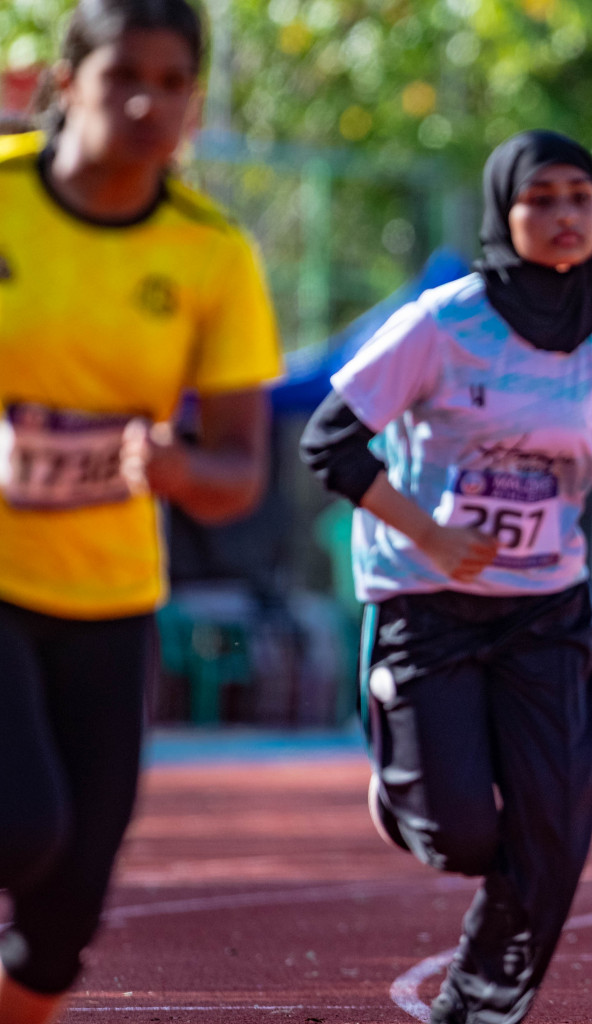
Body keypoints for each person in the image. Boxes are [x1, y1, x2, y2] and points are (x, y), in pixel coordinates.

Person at [300, 130, 592, 1024]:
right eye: (540, 198)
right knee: (462, 833)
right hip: (425, 600)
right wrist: (430, 535)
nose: (562, 216)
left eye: (579, 198)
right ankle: (404, 788)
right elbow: (330, 440)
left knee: (556, 829)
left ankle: (480, 1004)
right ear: (503, 213)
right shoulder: (445, 322)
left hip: (545, 606)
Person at [0, 2, 282, 1021]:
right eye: (123, 73)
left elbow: (240, 470)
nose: (146, 101)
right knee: (20, 825)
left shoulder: (210, 253)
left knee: (63, 921)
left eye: (173, 82)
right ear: (60, 83)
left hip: (113, 597)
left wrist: (172, 465)